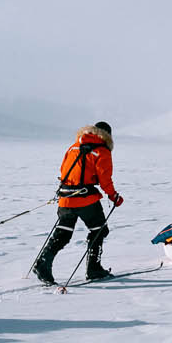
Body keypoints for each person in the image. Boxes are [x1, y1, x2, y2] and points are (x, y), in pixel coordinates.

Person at [31, 122, 123, 286]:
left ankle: (43, 264)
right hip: (86, 198)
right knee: (99, 230)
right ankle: (94, 270)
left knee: (63, 233)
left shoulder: (73, 147)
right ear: (107, 135)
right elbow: (105, 179)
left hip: (66, 197)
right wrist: (114, 196)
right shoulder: (102, 151)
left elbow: (63, 170)